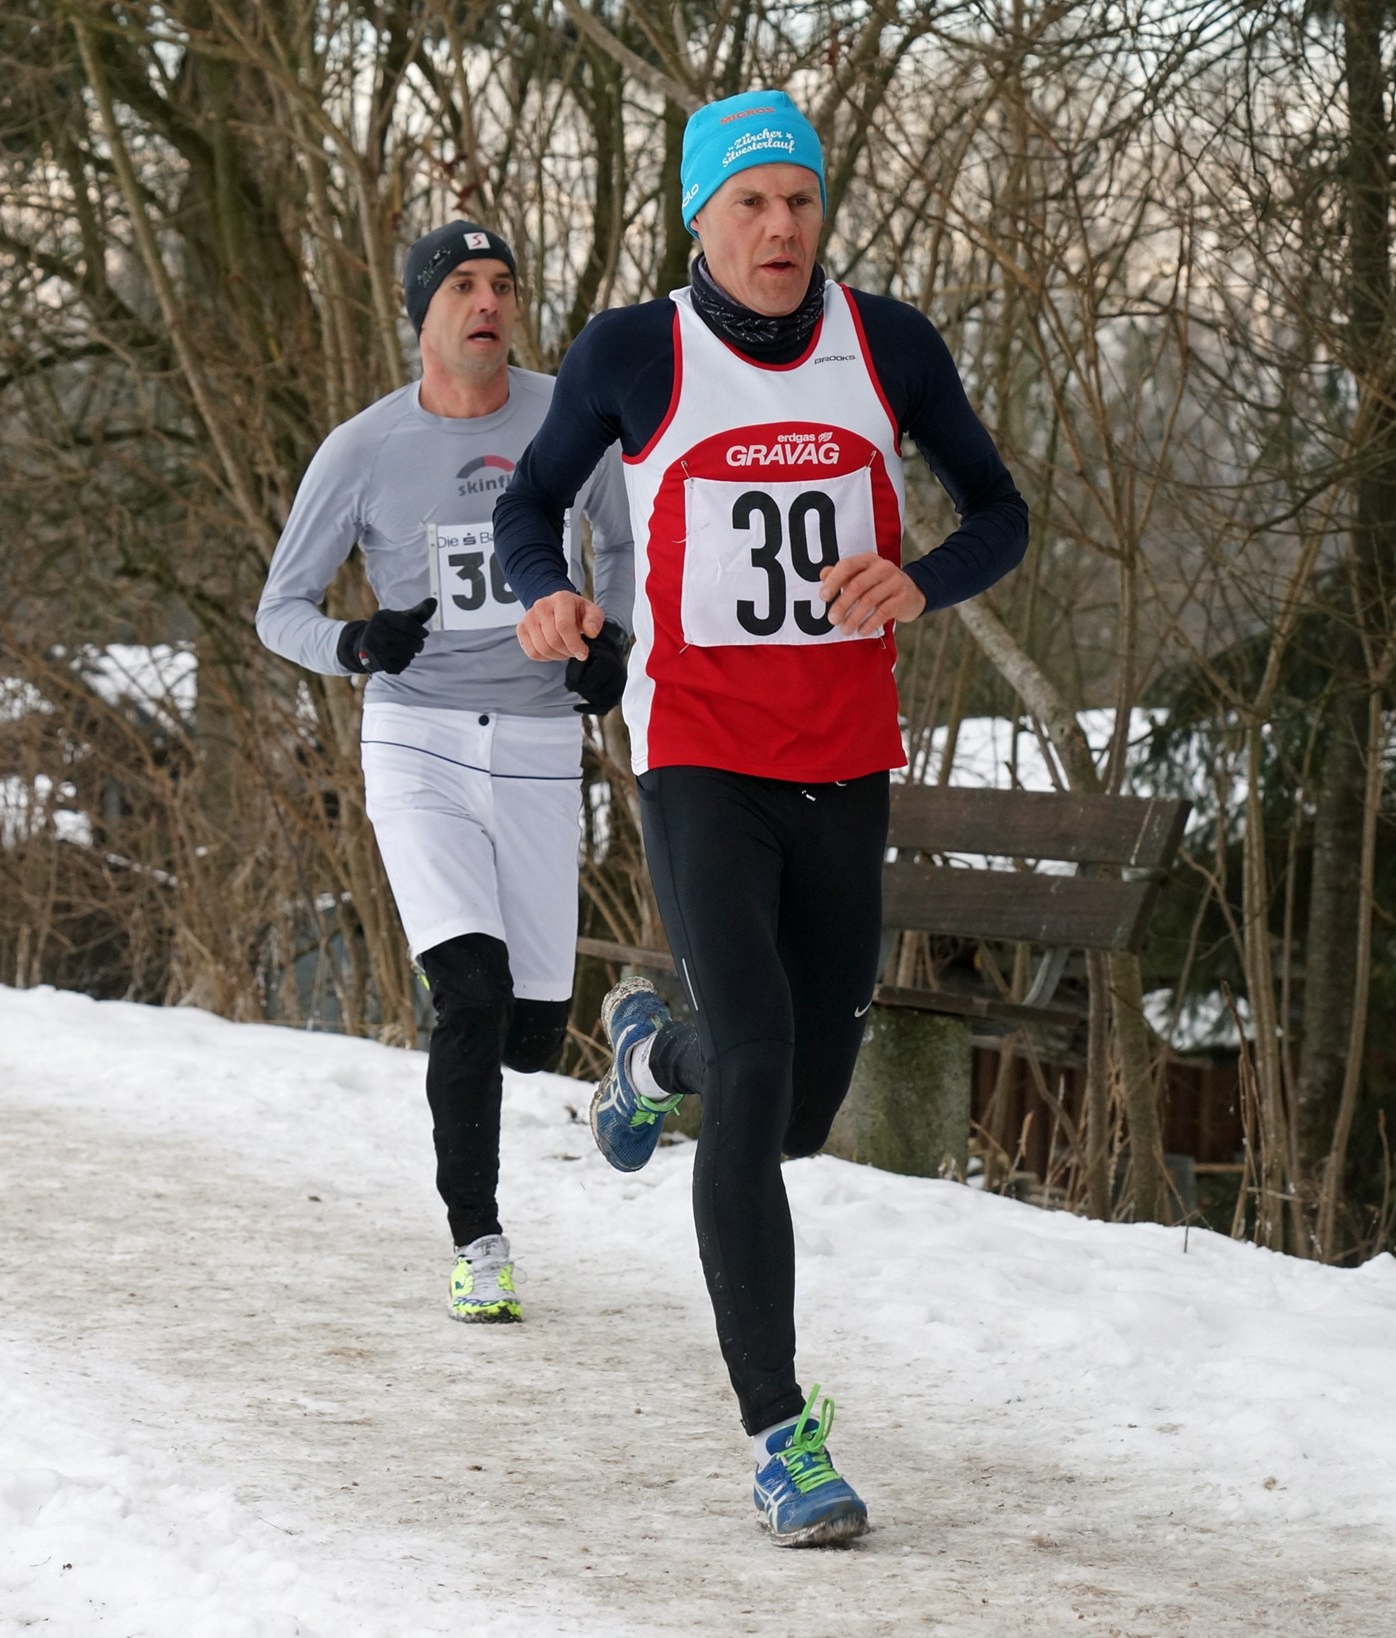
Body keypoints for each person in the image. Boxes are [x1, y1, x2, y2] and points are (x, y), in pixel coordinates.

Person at [493, 91, 1028, 1543]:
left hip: (847, 758)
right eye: (751, 204)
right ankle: (782, 1436)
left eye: (799, 199)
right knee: (764, 1046)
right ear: (700, 220)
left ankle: (646, 1054)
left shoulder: (889, 345)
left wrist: (922, 578)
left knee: (788, 1105)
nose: (781, 227)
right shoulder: (632, 354)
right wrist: (546, 591)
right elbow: (528, 511)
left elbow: (1000, 511)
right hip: (701, 754)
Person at [257, 222, 634, 1323]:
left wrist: (615, 642)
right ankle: (478, 1240)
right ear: (420, 311)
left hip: (532, 743)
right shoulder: (363, 448)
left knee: (530, 1028)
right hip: (414, 736)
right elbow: (280, 606)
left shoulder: (570, 418)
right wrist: (356, 646)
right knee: (465, 990)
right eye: (462, 285)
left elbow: (620, 545)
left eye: (502, 286)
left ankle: (617, 1054)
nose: (486, 302)